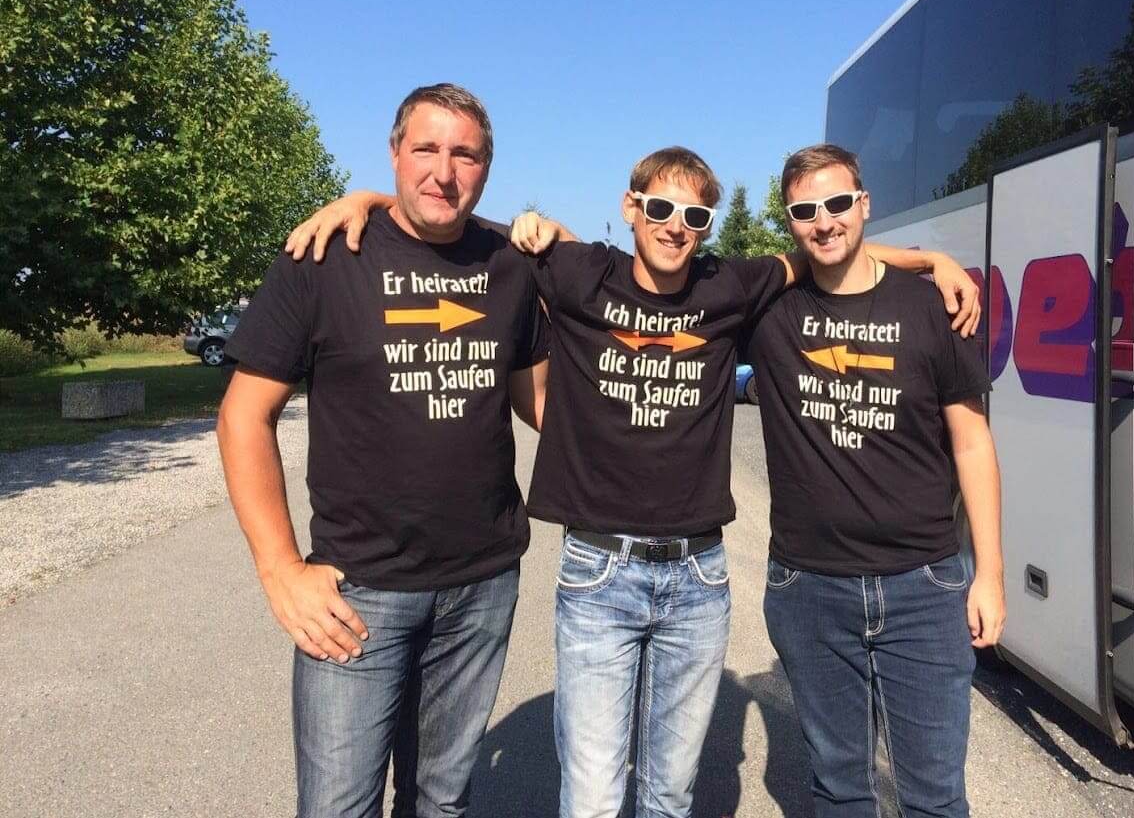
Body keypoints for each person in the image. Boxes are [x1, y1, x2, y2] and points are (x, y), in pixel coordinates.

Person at [288, 146, 979, 818]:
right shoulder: (581, 271)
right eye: (659, 208)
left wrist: (929, 261)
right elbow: (449, 217)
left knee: (670, 797)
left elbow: (825, 249)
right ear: (630, 207)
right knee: (592, 797)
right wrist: (370, 200)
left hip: (698, 576)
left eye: (694, 216)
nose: (675, 226)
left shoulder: (729, 285)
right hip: (599, 571)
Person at [216, 83, 549, 818]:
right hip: (357, 591)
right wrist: (280, 569)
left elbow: (540, 404)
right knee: (339, 806)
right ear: (394, 153)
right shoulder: (326, 256)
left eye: (465, 154)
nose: (444, 171)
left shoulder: (510, 264)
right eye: (425, 148)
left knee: (441, 802)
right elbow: (243, 416)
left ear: (487, 167)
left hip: (482, 584)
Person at [747, 144, 1004, 818]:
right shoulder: (769, 309)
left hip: (925, 585)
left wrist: (990, 574)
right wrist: (929, 255)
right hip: (809, 587)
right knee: (840, 789)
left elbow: (973, 441)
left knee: (935, 796)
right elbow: (671, 277)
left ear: (864, 204)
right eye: (805, 210)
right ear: (789, 221)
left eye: (838, 202)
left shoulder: (930, 308)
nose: (824, 220)